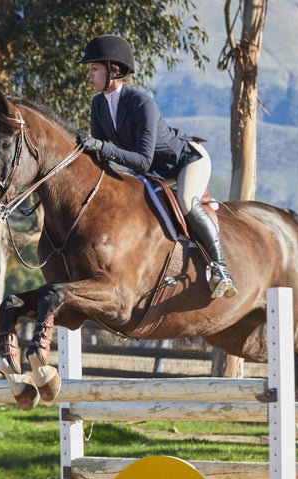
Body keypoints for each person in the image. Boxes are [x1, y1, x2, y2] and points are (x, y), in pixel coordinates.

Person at [76, 34, 238, 299]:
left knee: (186, 202)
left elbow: (141, 160)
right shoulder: (98, 105)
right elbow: (101, 158)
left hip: (186, 161)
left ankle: (221, 269)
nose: (89, 75)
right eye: (89, 70)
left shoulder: (142, 104)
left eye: (94, 69)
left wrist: (100, 147)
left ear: (113, 70)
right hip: (151, 172)